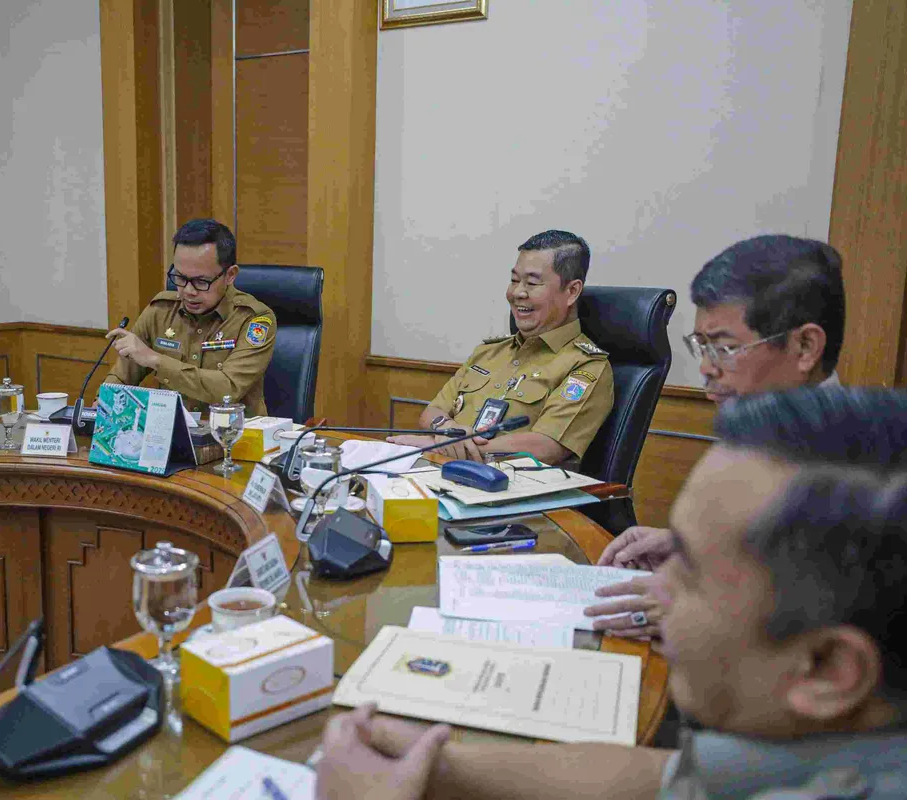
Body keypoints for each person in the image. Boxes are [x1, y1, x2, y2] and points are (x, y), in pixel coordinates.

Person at [315, 387, 907, 800]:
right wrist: (431, 759)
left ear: (828, 668)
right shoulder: (832, 734)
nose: (654, 584)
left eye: (689, 569)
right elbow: (664, 778)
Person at [586, 234, 847, 638]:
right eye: (701, 346)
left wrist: (696, 610)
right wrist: (688, 548)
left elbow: (834, 620)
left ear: (805, 346)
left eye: (724, 349)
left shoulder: (857, 471)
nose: (706, 369)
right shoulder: (758, 431)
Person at [389, 230, 613, 467]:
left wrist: (446, 448)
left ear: (572, 292)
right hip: (441, 471)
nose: (517, 293)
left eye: (533, 283)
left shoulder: (586, 366)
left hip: (511, 490)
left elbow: (546, 447)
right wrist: (447, 430)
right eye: (515, 280)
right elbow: (433, 411)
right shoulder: (489, 352)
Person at [101, 218, 277, 415]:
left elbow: (228, 390)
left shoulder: (254, 319)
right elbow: (120, 380)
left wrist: (156, 360)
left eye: (201, 281)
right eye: (181, 278)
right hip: (171, 437)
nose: (188, 291)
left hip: (234, 438)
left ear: (230, 275)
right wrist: (102, 410)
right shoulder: (160, 311)